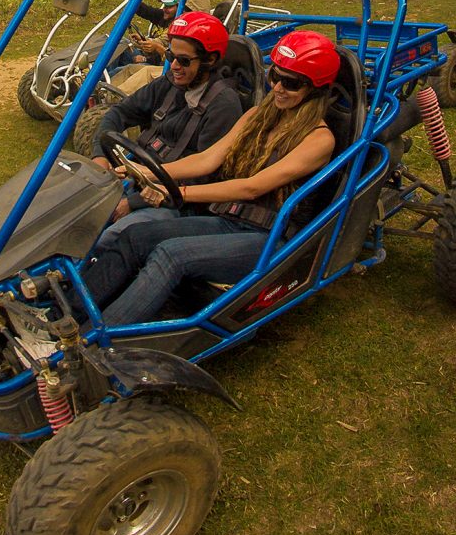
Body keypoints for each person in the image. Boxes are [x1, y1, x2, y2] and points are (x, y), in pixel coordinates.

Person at [79, 30, 340, 326]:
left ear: (316, 89)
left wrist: (175, 193)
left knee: (170, 254)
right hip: (230, 220)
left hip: (269, 238)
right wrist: (150, 173)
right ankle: (71, 312)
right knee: (135, 236)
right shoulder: (259, 115)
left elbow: (252, 187)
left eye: (291, 83)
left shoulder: (319, 139)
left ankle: (96, 337)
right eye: (274, 76)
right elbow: (208, 159)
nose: (278, 88)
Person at [92, 11, 243, 247]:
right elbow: (118, 113)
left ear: (210, 60)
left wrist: (133, 203)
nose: (173, 66)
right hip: (137, 178)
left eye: (183, 60)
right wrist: (100, 157)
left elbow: (203, 177)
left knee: (111, 239)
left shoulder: (224, 105)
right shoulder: (169, 85)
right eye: (171, 55)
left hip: (178, 202)